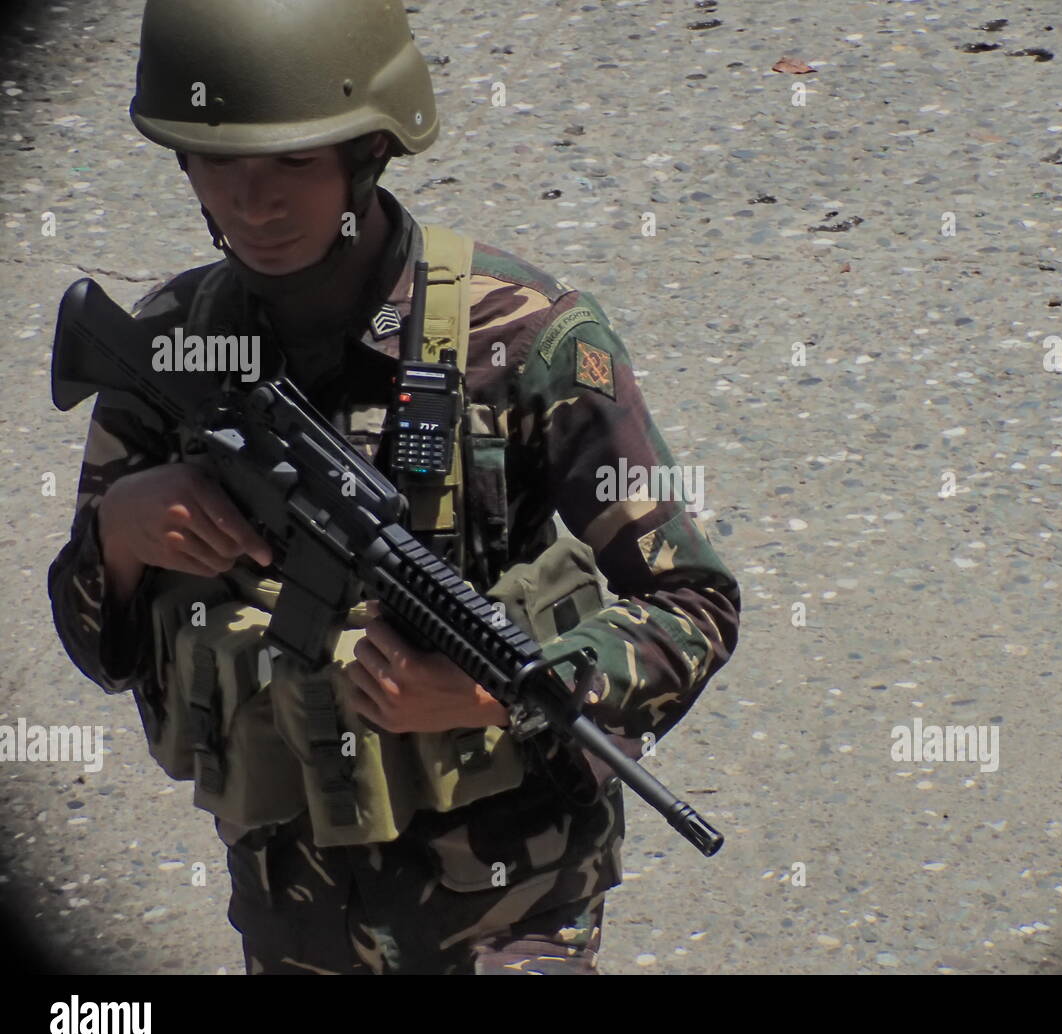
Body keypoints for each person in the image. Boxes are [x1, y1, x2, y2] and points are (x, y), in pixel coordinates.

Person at [46, 0, 740, 975]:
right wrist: (119, 537)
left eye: (293, 161)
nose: (254, 202)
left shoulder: (529, 341)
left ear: (370, 149)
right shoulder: (174, 343)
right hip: (293, 913)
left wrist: (490, 695)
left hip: (511, 907)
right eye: (221, 162)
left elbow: (692, 608)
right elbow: (102, 652)